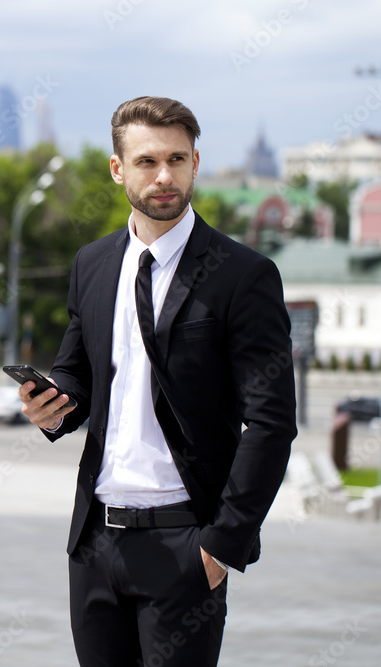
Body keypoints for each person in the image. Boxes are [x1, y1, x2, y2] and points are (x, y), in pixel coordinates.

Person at [18, 96, 297, 667]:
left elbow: (271, 421)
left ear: (196, 162)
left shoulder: (243, 275)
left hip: (185, 543)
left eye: (177, 159)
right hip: (95, 541)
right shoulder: (92, 264)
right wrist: (53, 404)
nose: (164, 176)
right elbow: (80, 374)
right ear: (118, 169)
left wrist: (222, 546)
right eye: (147, 161)